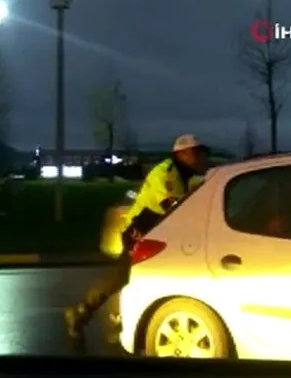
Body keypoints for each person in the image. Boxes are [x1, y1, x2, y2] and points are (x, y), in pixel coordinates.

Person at [64, 134, 209, 343]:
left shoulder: (184, 174)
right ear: (182, 154)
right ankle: (83, 312)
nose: (202, 158)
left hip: (158, 231)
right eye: (197, 153)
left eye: (202, 153)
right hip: (140, 230)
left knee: (144, 278)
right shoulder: (166, 173)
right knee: (125, 276)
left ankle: (115, 319)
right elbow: (173, 206)